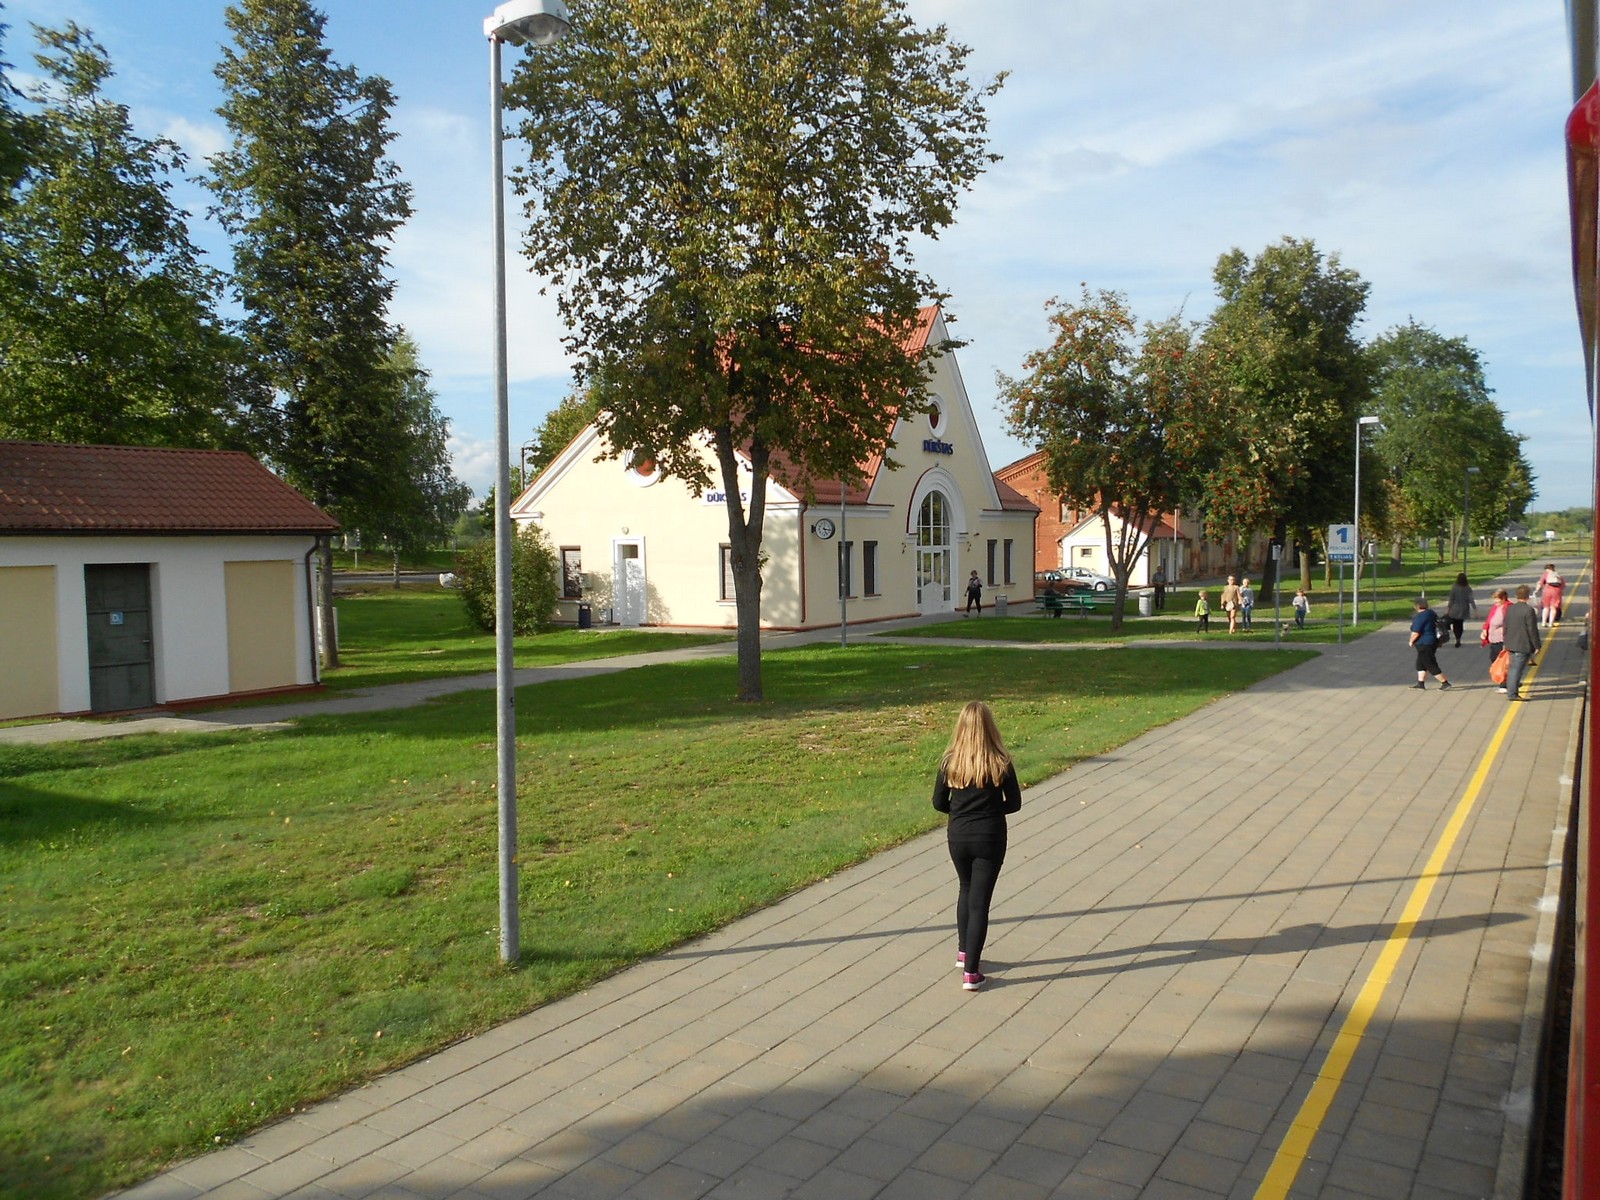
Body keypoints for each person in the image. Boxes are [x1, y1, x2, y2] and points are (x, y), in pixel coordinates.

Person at [931, 701, 1022, 992]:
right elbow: (1015, 803)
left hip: (958, 836)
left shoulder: (950, 763)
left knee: (965, 889)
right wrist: (991, 811)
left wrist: (960, 812)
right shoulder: (1001, 762)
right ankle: (972, 972)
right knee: (980, 902)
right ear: (989, 727)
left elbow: (938, 803)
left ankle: (963, 952)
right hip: (990, 836)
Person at [1503, 584, 1542, 700]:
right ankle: (1512, 694)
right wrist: (1537, 645)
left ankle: (1511, 690)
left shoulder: (1510, 608)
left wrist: (1506, 640)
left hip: (1511, 643)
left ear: (1516, 595)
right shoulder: (1528, 610)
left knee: (1512, 668)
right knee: (1516, 670)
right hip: (1523, 644)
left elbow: (1506, 626)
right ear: (1528, 596)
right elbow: (1532, 629)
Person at [1407, 599, 1452, 691]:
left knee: (1430, 663)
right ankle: (1421, 684)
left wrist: (1411, 641)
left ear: (1417, 606)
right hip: (1432, 641)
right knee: (1420, 664)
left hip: (1424, 643)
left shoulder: (1420, 617)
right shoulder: (1431, 613)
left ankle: (1445, 683)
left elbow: (1416, 631)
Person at [1482, 588, 1511, 687]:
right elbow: (1489, 619)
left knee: (1502, 662)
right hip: (1493, 639)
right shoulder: (1496, 607)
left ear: (1503, 598)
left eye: (1497, 600)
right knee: (1493, 659)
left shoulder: (1508, 607)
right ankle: (1504, 681)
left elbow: (1510, 624)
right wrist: (1485, 629)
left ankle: (1504, 683)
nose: (1495, 602)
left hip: (1502, 639)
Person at [1444, 573, 1476, 648]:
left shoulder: (1454, 587)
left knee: (1455, 624)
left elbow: (1451, 599)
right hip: (1464, 609)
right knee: (1460, 624)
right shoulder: (1468, 588)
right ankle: (1458, 638)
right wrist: (1475, 608)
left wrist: (1448, 608)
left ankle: (1455, 636)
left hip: (1455, 608)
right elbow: (1471, 599)